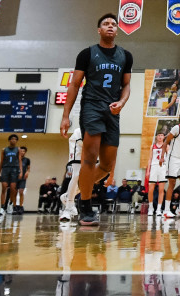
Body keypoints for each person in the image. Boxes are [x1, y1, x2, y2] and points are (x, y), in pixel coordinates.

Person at [59, 13, 134, 227]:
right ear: (99, 30)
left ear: (117, 30)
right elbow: (74, 85)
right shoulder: (87, 54)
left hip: (113, 111)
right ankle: (85, 207)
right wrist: (66, 116)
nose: (110, 26)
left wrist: (122, 102)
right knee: (89, 159)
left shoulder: (126, 56)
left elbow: (127, 85)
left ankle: (72, 194)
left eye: (113, 24)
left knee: (108, 165)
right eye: (105, 24)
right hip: (92, 107)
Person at [58, 78, 84, 223]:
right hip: (80, 138)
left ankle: (67, 196)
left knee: (92, 178)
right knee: (77, 174)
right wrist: (65, 117)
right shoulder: (87, 97)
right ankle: (68, 207)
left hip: (97, 138)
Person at [0, 134, 23, 217]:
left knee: (13, 188)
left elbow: (19, 161)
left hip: (15, 169)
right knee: (4, 187)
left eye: (15, 139)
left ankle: (11, 204)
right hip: (5, 169)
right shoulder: (4, 150)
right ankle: (2, 208)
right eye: (12, 139)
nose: (14, 140)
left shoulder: (18, 149)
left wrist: (21, 172)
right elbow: (1, 162)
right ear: (9, 140)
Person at [144, 132, 167, 220]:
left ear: (164, 137)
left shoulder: (166, 146)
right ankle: (150, 208)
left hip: (162, 168)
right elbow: (150, 159)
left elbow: (168, 159)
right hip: (153, 167)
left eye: (162, 135)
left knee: (161, 190)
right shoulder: (152, 146)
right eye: (159, 135)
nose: (160, 137)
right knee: (151, 189)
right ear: (157, 137)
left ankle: (158, 209)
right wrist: (148, 171)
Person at [13, 146, 31, 215]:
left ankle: (20, 207)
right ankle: (14, 207)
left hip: (23, 178)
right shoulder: (15, 159)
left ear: (25, 152)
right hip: (15, 177)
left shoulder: (27, 160)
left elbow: (28, 168)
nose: (22, 152)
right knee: (14, 192)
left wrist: (27, 172)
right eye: (21, 151)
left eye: (24, 151)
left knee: (21, 191)